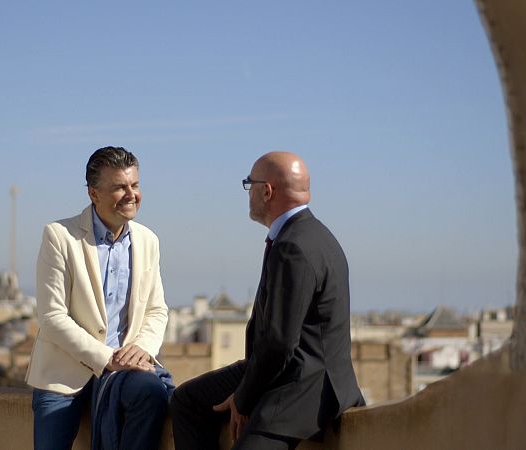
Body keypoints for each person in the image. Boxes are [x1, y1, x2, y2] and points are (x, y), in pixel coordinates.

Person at [171, 151, 365, 450]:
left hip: (304, 388)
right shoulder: (313, 235)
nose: (248, 194)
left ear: (267, 191)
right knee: (188, 401)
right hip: (290, 372)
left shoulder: (293, 246)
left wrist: (244, 398)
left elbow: (279, 343)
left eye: (250, 185)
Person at [26, 147, 171, 450]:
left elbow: (157, 310)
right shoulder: (60, 236)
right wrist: (107, 358)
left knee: (153, 394)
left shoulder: (148, 240)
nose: (131, 195)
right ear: (94, 193)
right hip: (64, 372)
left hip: (126, 372)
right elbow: (52, 317)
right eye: (120, 187)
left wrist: (142, 349)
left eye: (135, 185)